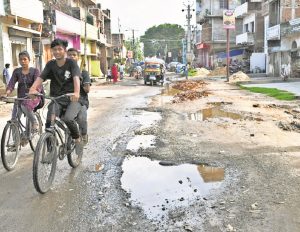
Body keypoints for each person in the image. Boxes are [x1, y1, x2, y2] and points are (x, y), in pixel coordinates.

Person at [29, 38, 83, 153]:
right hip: (57, 99)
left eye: (60, 49)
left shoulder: (71, 63)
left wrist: (77, 93)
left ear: (64, 50)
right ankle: (50, 150)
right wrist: (33, 88)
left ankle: (77, 138)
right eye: (54, 49)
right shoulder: (50, 64)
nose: (57, 52)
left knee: (68, 119)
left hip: (72, 98)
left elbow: (76, 78)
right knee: (49, 122)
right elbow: (41, 77)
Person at [3, 51, 41, 132]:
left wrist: (34, 92)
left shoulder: (35, 71)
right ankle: (16, 141)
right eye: (20, 60)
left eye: (25, 59)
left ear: (29, 60)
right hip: (20, 98)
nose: (22, 61)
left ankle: (34, 122)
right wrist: (7, 93)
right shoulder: (17, 71)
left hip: (33, 98)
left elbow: (38, 84)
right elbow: (11, 84)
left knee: (25, 105)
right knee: (14, 120)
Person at [67, 48, 90, 145]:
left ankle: (84, 134)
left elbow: (87, 90)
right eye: (69, 55)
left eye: (74, 55)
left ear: (78, 57)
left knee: (81, 119)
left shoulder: (83, 73)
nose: (71, 56)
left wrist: (80, 80)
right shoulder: (66, 72)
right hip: (67, 100)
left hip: (81, 101)